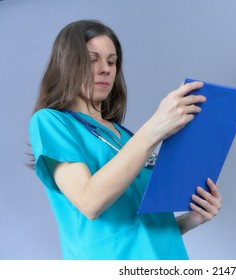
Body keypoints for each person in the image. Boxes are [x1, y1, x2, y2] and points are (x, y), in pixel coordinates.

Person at [29, 19, 222, 260]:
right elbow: (89, 201)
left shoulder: (125, 137)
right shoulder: (50, 122)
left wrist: (192, 219)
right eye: (92, 59)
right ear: (67, 63)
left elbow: (140, 227)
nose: (106, 69)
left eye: (112, 61)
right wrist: (154, 128)